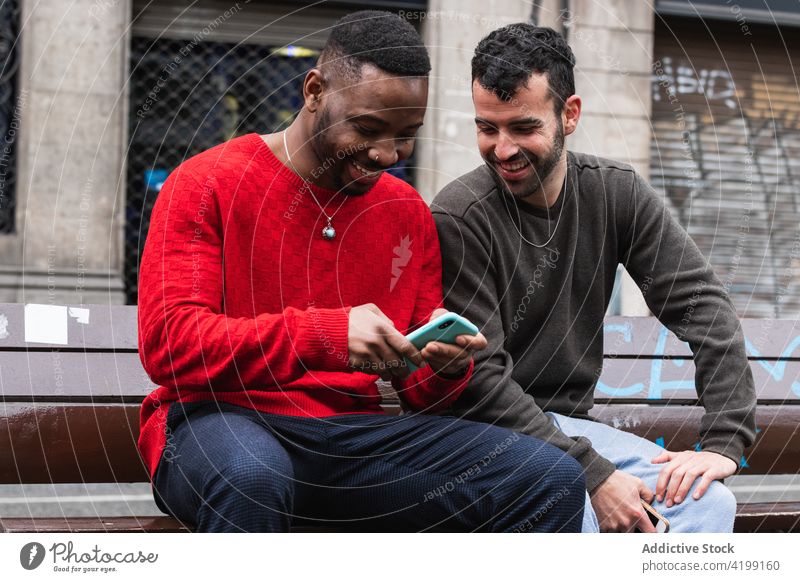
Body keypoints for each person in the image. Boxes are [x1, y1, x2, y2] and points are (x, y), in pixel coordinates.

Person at [136, 11, 585, 533]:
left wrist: (440, 367)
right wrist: (325, 335)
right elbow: (169, 344)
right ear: (314, 91)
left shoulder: (405, 212)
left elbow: (420, 394)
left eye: (406, 136)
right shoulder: (208, 182)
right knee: (253, 478)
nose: (386, 154)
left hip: (354, 439)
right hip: (216, 423)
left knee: (547, 477)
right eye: (368, 129)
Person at [432, 23, 757, 533]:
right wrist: (593, 474)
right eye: (487, 127)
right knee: (576, 507)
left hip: (571, 428)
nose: (501, 148)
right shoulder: (460, 215)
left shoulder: (616, 195)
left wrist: (724, 442)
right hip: (482, 435)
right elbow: (482, 381)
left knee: (707, 504)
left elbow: (704, 308)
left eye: (523, 127)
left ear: (570, 114)